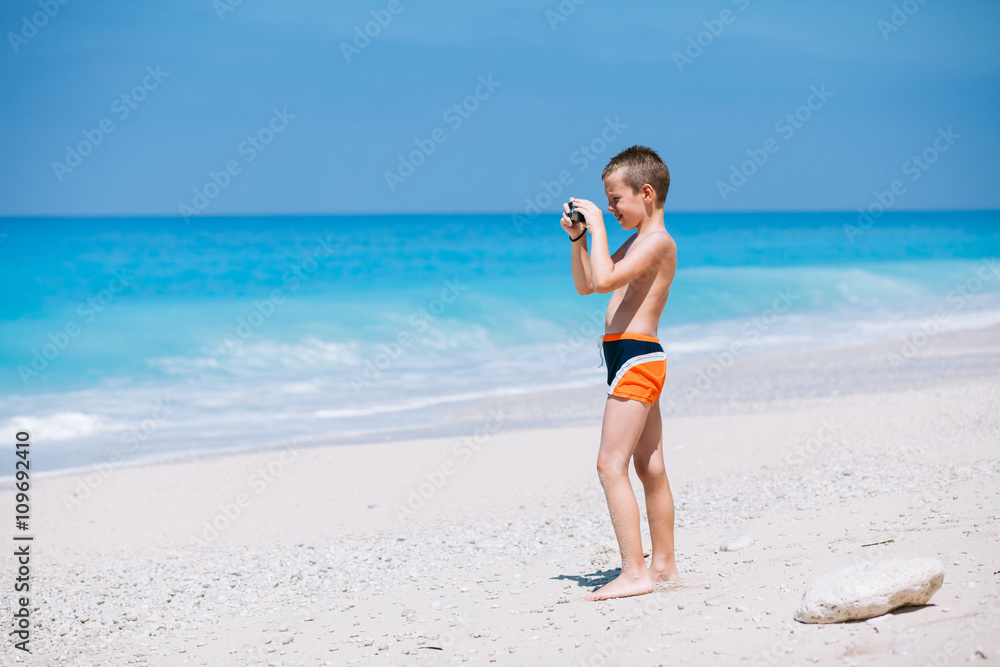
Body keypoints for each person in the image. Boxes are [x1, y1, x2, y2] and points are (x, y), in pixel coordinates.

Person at [560, 145, 680, 601]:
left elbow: (607, 278)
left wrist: (595, 227)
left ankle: (635, 573)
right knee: (649, 467)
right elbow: (589, 284)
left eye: (615, 200)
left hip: (636, 357)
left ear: (646, 193)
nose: (609, 209)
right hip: (630, 357)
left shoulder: (658, 242)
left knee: (609, 465)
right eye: (605, 202)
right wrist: (579, 242)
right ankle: (663, 564)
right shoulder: (637, 241)